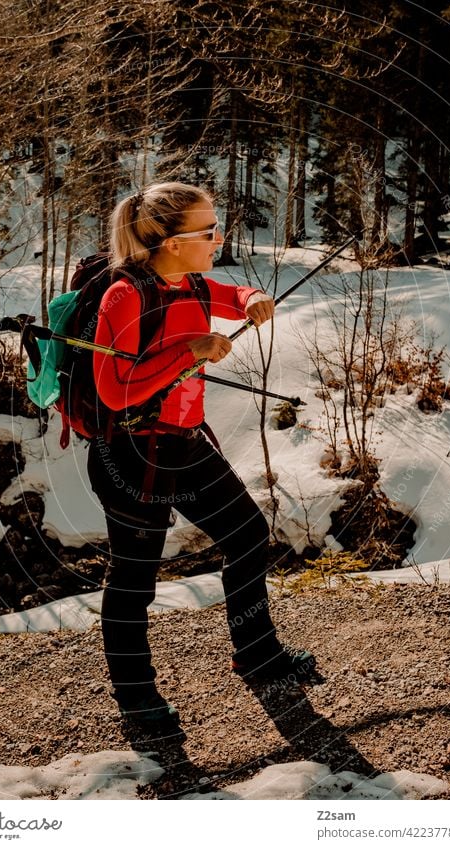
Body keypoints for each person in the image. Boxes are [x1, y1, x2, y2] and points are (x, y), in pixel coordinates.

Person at [87, 181, 315, 724]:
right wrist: (187, 352)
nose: (219, 239)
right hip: (133, 454)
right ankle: (136, 698)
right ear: (169, 241)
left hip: (186, 443)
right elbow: (113, 391)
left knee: (247, 535)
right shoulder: (124, 295)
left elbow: (228, 295)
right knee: (134, 578)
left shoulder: (188, 281)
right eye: (209, 231)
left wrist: (252, 299)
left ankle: (257, 656)